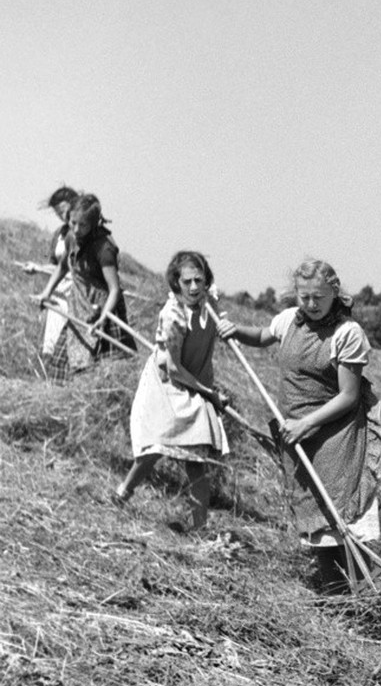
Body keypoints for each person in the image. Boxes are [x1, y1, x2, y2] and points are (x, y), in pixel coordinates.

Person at [216, 258, 381, 590]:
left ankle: (373, 594)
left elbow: (349, 396)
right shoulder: (289, 320)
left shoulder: (346, 333)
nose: (310, 304)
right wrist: (235, 331)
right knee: (315, 519)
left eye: (318, 297)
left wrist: (307, 424)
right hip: (298, 435)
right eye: (304, 297)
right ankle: (335, 596)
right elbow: (263, 335)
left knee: (340, 515)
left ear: (334, 292)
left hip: (336, 436)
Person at [115, 251, 232, 531]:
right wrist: (210, 394)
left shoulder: (210, 304)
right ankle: (122, 494)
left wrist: (227, 327)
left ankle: (198, 526)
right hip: (168, 384)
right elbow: (173, 368)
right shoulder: (172, 315)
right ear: (176, 283)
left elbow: (217, 327)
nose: (193, 287)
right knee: (157, 445)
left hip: (196, 382)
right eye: (187, 281)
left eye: (199, 280)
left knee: (195, 459)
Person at [36, 193, 132, 369]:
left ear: (93, 224)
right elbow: (62, 266)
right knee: (62, 366)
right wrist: (46, 292)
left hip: (103, 310)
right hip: (78, 306)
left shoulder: (103, 248)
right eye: (73, 223)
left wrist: (104, 318)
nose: (77, 229)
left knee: (106, 368)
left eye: (83, 225)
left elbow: (114, 290)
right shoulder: (71, 238)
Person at [20, 185, 79, 381]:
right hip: (58, 295)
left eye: (63, 211)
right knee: (51, 345)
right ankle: (51, 383)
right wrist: (40, 270)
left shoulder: (80, 234)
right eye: (58, 213)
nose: (62, 216)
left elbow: (71, 268)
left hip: (76, 296)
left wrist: (38, 268)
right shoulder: (60, 235)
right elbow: (58, 267)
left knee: (71, 347)